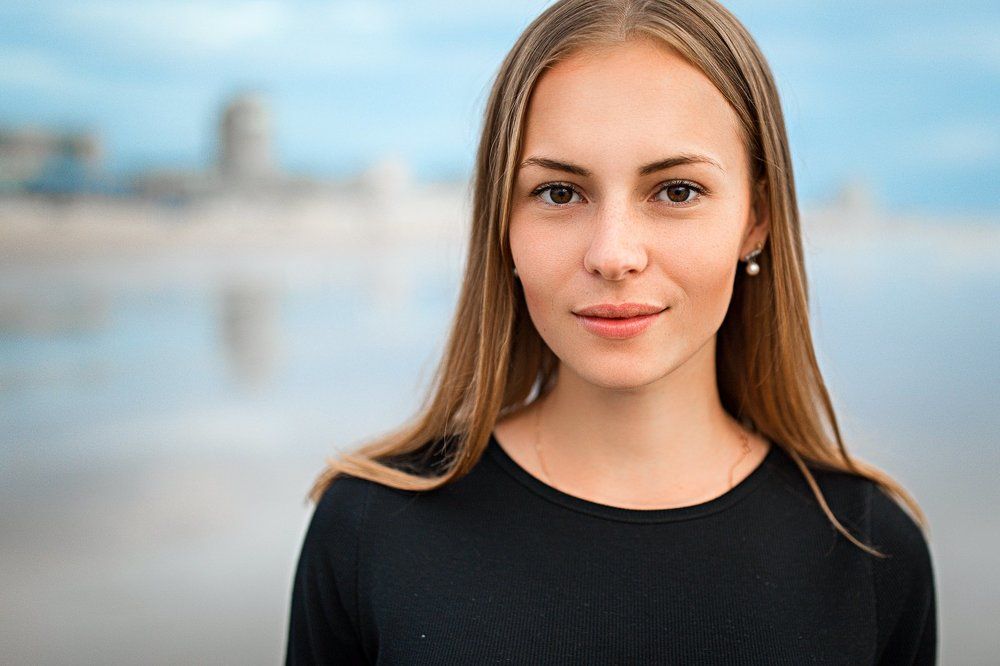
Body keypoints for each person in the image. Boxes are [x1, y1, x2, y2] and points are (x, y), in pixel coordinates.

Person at [285, 0, 937, 663]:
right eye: (560, 194)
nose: (613, 254)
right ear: (502, 224)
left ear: (756, 218)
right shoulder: (370, 525)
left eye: (677, 191)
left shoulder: (871, 550)